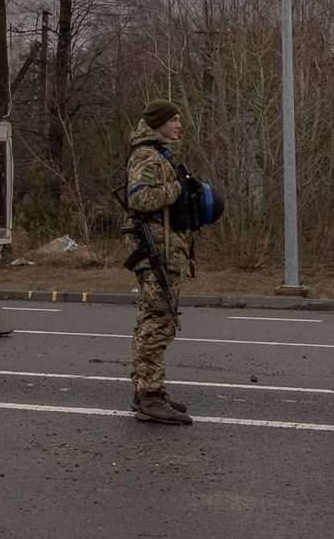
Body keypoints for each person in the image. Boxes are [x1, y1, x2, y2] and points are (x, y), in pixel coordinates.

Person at [124, 98, 194, 425]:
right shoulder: (145, 156)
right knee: (156, 321)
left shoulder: (159, 154)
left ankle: (148, 389)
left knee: (157, 318)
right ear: (159, 124)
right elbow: (138, 198)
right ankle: (149, 396)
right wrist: (176, 189)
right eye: (174, 119)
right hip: (154, 250)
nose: (179, 125)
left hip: (165, 249)